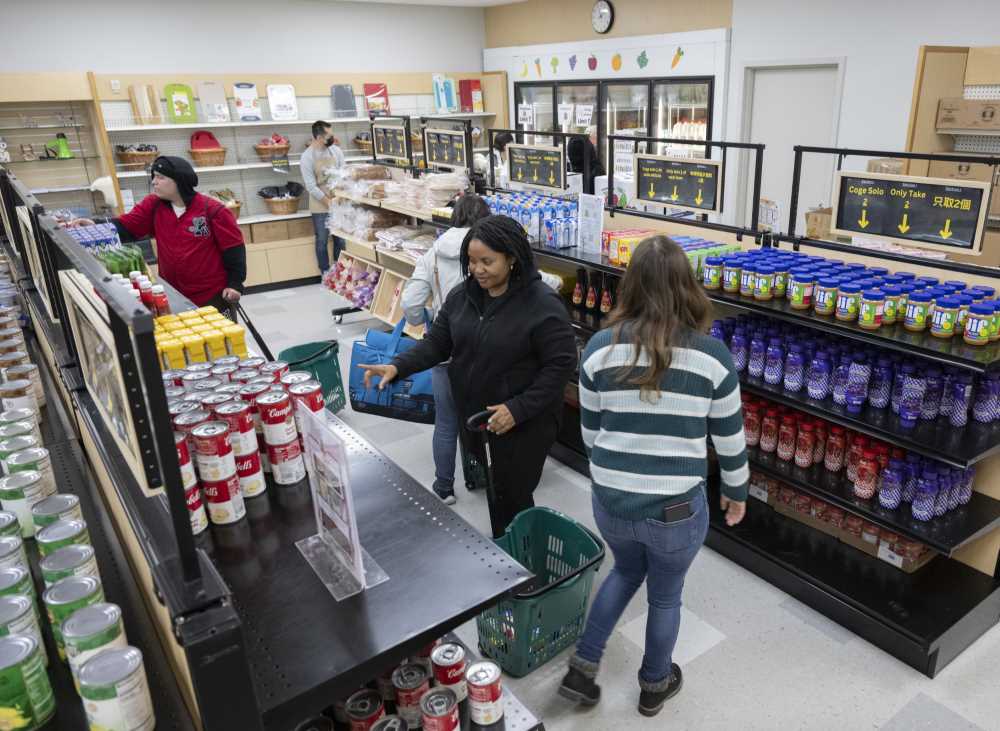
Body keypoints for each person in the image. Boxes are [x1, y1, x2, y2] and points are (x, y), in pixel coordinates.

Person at [558, 235, 748, 717]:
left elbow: (591, 434)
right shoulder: (713, 358)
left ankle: (583, 667)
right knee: (666, 597)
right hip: (676, 510)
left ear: (630, 286)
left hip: (614, 503)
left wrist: (615, 477)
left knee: (623, 571)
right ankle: (653, 685)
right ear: (689, 287)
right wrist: (736, 493)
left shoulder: (600, 348)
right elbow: (729, 440)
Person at [360, 215, 577, 537]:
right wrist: (398, 365)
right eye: (472, 261)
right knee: (495, 489)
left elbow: (560, 367)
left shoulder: (543, 304)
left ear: (512, 257)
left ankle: (527, 564)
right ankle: (508, 551)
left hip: (526, 422)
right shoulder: (464, 296)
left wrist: (517, 409)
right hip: (478, 415)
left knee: (514, 494)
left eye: (487, 261)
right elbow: (437, 343)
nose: (477, 270)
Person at [401, 193, 492, 505]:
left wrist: (426, 321)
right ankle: (487, 476)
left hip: (447, 349)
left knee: (446, 420)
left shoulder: (433, 253)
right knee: (490, 415)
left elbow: (411, 302)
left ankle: (444, 487)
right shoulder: (490, 250)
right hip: (485, 349)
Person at [67, 156, 245, 313]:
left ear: (179, 181)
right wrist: (96, 225)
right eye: (153, 177)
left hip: (211, 294)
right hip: (172, 293)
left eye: (160, 177)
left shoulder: (213, 210)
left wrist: (235, 284)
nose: (154, 182)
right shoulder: (153, 205)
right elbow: (127, 226)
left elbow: (234, 250)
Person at [301, 120, 346, 272]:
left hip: (337, 199)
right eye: (329, 136)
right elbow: (311, 186)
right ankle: (325, 272)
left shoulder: (336, 151)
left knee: (340, 238)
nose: (332, 138)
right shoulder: (307, 157)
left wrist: (339, 197)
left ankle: (340, 271)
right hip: (319, 204)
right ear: (319, 137)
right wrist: (328, 201)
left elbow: (343, 173)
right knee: (322, 240)